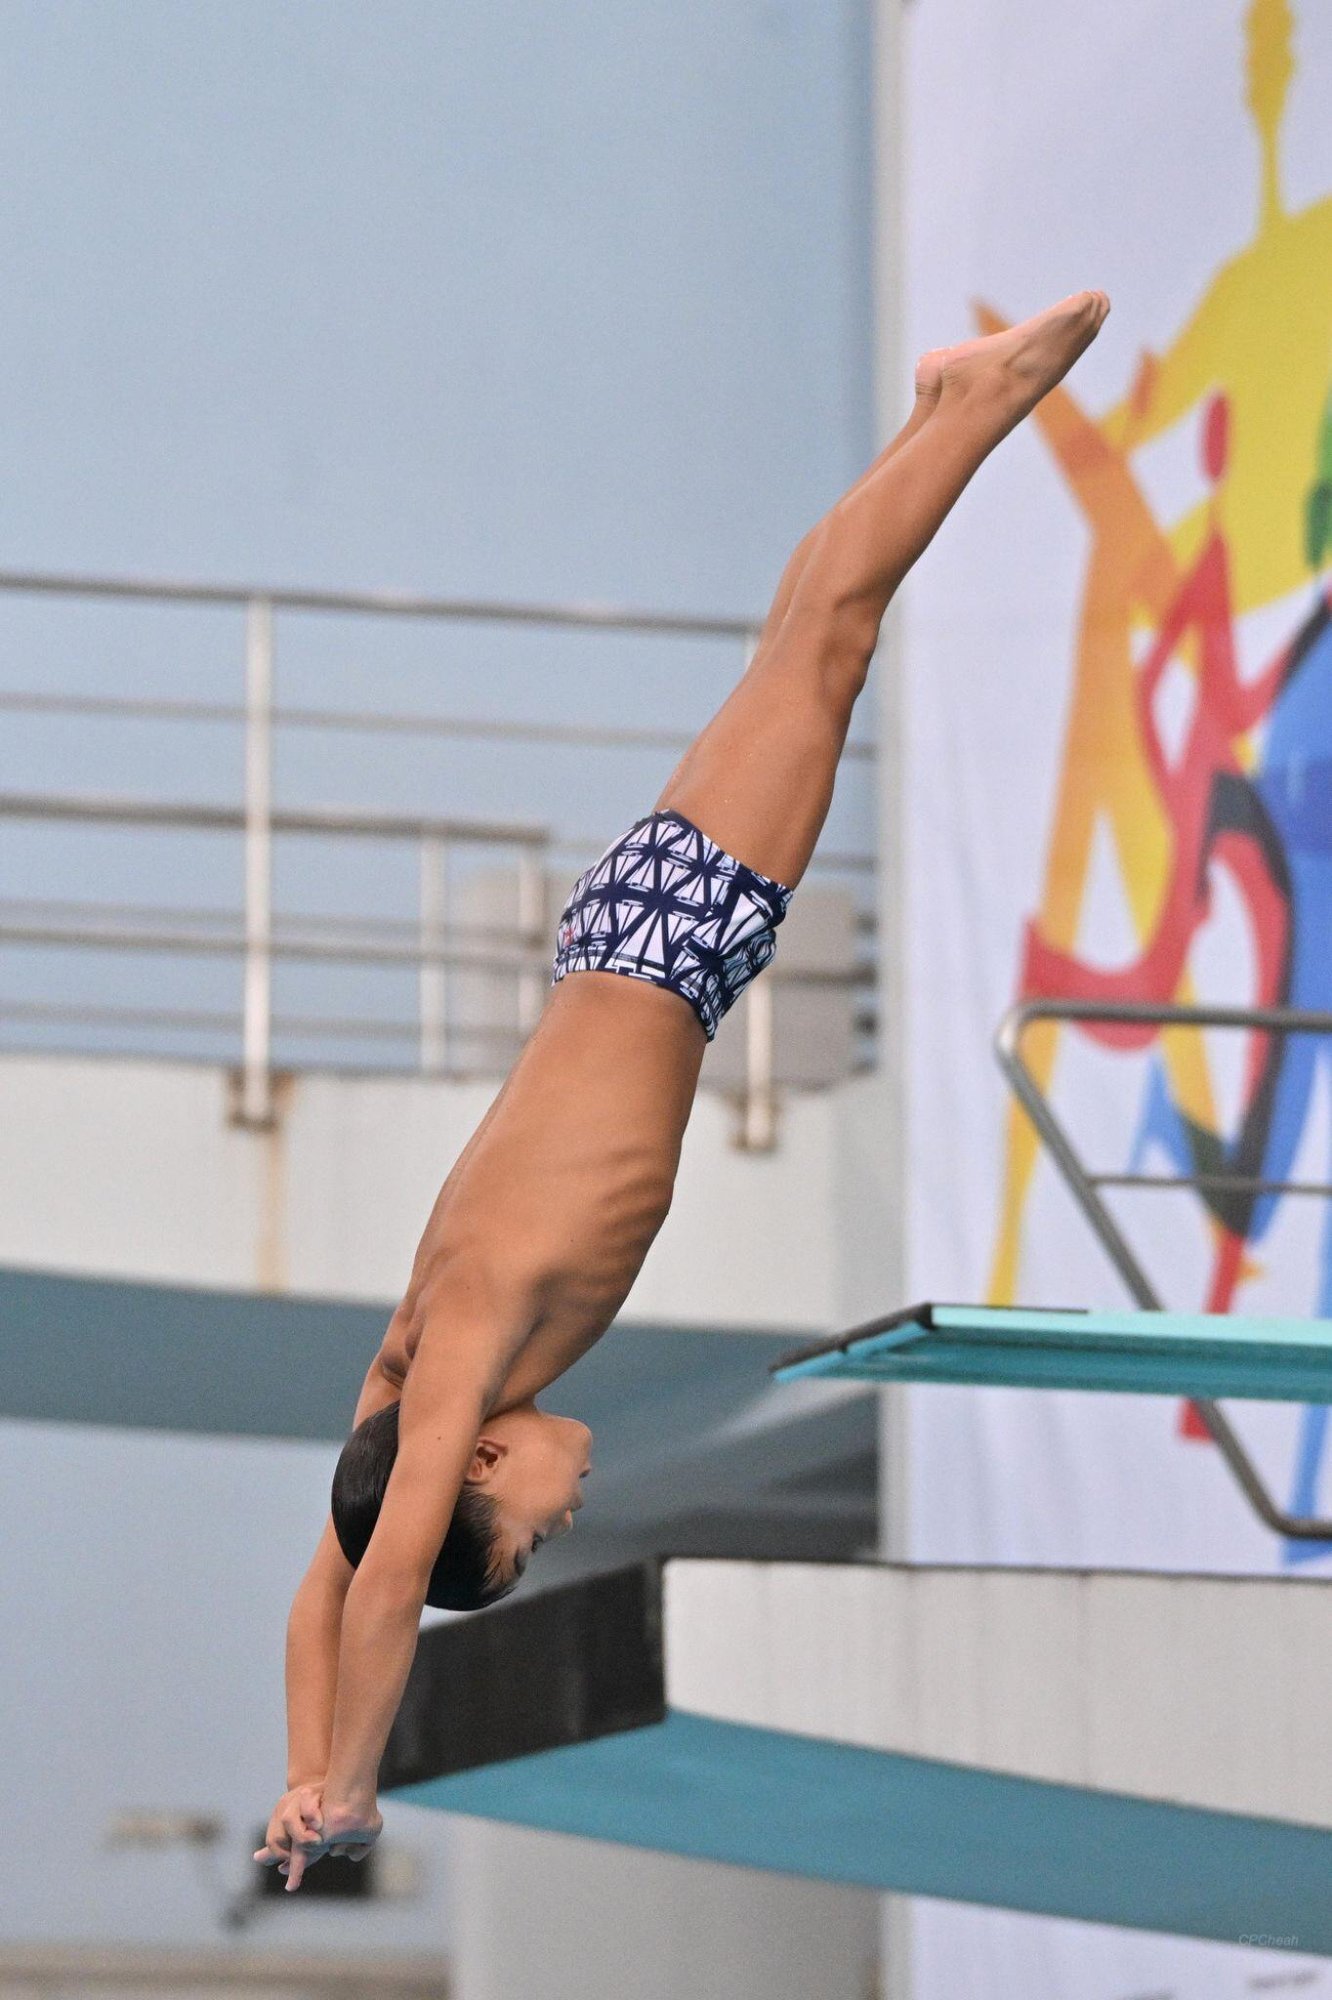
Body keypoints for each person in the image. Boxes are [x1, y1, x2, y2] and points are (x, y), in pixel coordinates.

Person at [255, 288, 1110, 1889]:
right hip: (624, 941)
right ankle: (938, 411)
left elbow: (376, 1596)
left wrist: (358, 1790)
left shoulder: (465, 1358)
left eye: (530, 1530)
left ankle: (987, 403)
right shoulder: (407, 1367)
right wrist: (299, 1769)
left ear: (483, 1473)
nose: (569, 1509)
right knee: (805, 645)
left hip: (670, 951)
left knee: (832, 643)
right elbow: (333, 1585)